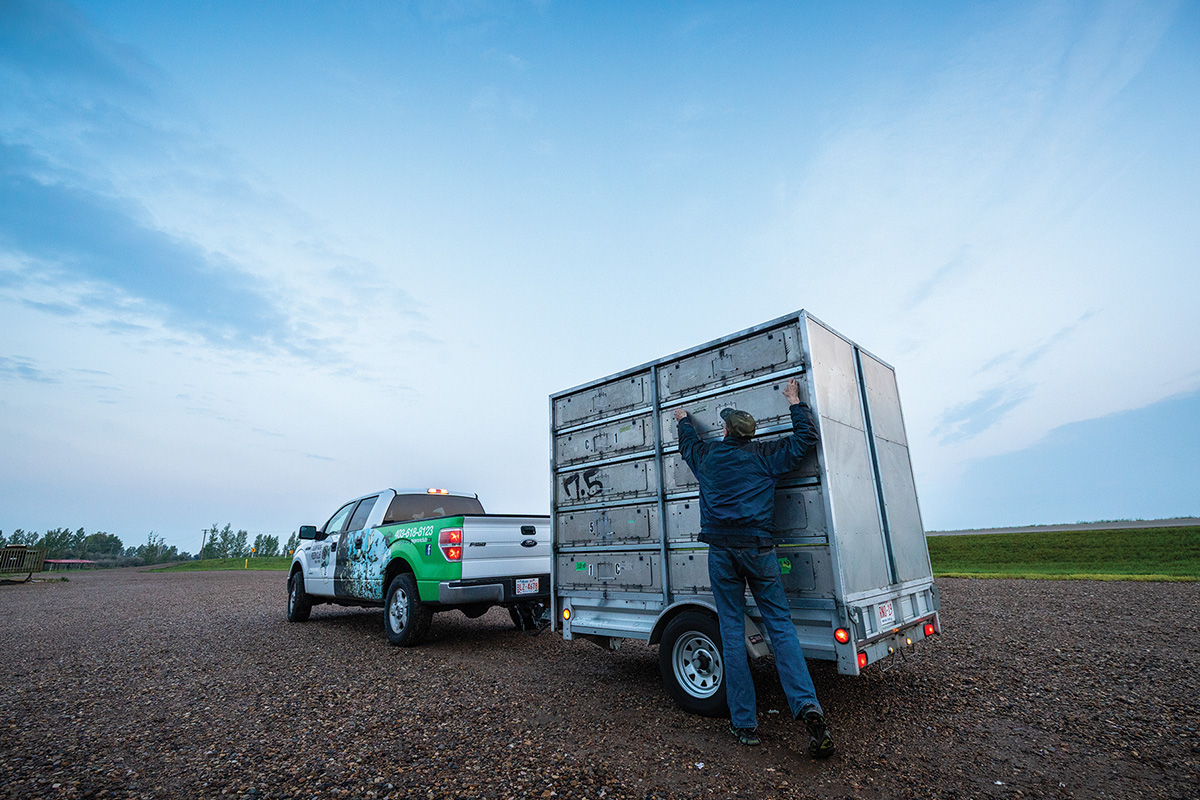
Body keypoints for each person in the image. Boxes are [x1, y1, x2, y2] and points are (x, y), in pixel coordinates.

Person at [673, 377, 835, 758]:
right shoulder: (765, 455)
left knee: (731, 633)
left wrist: (683, 419)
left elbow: (687, 446)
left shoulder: (708, 457)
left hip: (722, 554)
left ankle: (745, 724)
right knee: (781, 627)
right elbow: (804, 441)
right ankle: (807, 706)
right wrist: (794, 402)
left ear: (726, 432)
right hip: (760, 552)